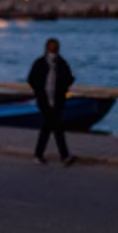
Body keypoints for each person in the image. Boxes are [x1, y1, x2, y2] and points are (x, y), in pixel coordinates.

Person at [27, 37, 76, 165]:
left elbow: (68, 78)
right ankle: (63, 156)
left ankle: (40, 154)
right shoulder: (42, 63)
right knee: (55, 127)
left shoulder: (60, 63)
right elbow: (32, 79)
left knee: (49, 127)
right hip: (45, 100)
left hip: (56, 100)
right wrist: (40, 92)